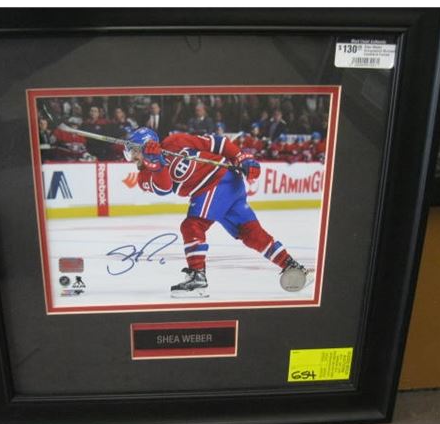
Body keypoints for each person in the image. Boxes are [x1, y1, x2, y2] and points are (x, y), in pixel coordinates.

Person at [123, 127, 309, 297]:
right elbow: (164, 188)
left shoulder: (175, 141)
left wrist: (241, 157)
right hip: (223, 188)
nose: (132, 157)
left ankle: (197, 277)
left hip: (218, 179)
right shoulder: (143, 177)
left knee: (192, 226)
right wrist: (156, 164)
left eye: (134, 151)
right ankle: (291, 266)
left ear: (147, 145)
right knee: (250, 232)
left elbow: (217, 143)